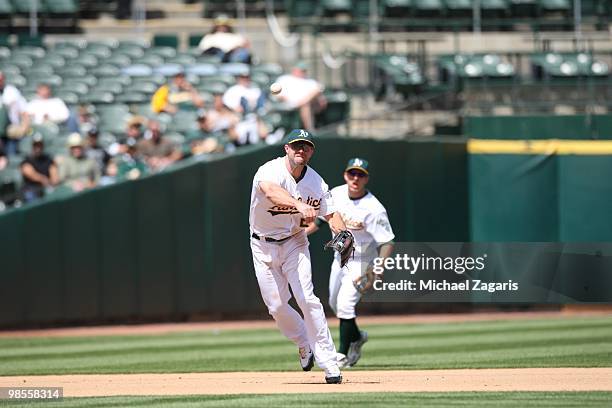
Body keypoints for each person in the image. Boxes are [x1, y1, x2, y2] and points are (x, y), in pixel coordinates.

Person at [249, 129, 347, 384]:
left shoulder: (316, 182)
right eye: (296, 146)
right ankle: (304, 342)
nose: (300, 150)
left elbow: (331, 213)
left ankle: (329, 363)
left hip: (294, 242)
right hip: (262, 245)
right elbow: (270, 191)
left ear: (312, 151)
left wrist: (344, 234)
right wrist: (298, 204)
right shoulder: (269, 170)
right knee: (278, 306)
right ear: (287, 149)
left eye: (306, 146)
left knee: (307, 298)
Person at [306, 158, 395, 368]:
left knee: (346, 306)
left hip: (362, 262)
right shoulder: (335, 194)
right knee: (335, 305)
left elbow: (388, 241)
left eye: (360, 174)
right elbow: (320, 220)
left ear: (366, 179)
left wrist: (379, 267)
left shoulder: (374, 208)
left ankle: (342, 354)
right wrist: (299, 233)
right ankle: (356, 337)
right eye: (352, 173)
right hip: (340, 258)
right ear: (346, 175)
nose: (355, 178)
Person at [274, 63, 327, 131]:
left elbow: (319, 91)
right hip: (290, 103)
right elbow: (277, 95)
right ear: (294, 70)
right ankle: (311, 130)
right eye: (300, 70)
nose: (302, 72)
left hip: (310, 103)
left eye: (304, 71)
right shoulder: (284, 79)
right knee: (305, 105)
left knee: (311, 98)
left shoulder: (310, 81)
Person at [20, 134, 59, 202]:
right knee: (30, 195)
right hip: (32, 189)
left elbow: (54, 175)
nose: (38, 148)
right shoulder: (27, 160)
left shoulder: (48, 159)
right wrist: (42, 179)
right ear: (32, 146)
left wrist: (52, 183)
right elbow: (28, 171)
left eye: (39, 145)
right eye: (36, 145)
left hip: (46, 188)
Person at [0, 70, 30, 155]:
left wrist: (24, 127)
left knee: (10, 154)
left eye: (1, 80)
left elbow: (24, 110)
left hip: (11, 129)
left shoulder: (11, 91)